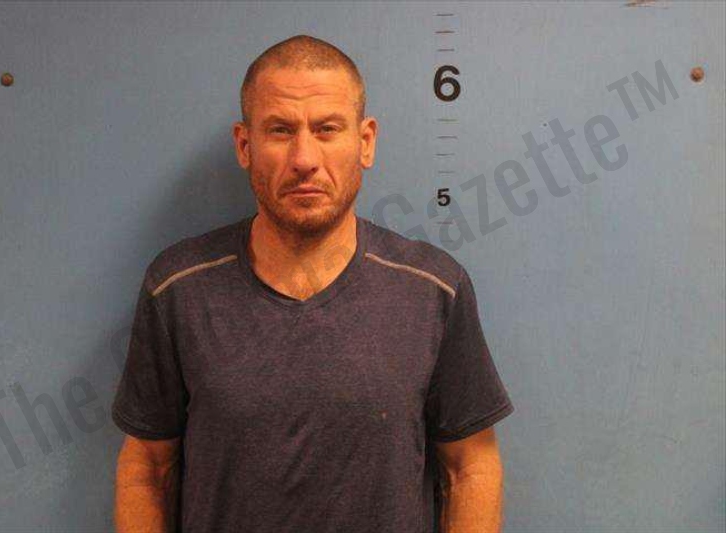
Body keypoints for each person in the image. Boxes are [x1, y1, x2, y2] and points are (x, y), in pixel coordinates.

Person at [111, 34, 514, 533]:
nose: (304, 158)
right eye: (280, 130)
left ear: (365, 142)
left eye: (327, 129)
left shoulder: (433, 290)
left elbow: (470, 468)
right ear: (245, 145)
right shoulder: (179, 288)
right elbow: (146, 470)